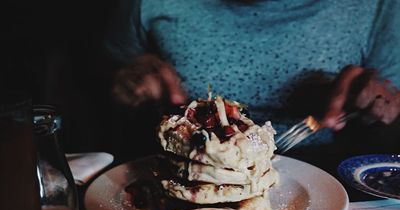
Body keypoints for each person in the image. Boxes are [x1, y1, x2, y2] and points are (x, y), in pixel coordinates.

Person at [103, 0, 400, 155]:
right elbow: (105, 76)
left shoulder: (379, 7)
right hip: (181, 172)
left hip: (320, 181)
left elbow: (387, 133)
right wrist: (130, 84)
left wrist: (372, 113)